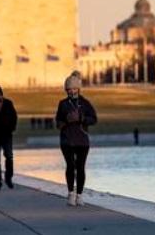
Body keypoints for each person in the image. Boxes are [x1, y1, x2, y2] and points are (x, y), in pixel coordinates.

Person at [55, 71, 97, 207]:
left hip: (82, 140)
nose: (71, 91)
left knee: (80, 167)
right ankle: (70, 193)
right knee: (70, 166)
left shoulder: (85, 103)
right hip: (67, 140)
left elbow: (94, 119)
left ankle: (79, 194)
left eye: (73, 89)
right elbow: (58, 123)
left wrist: (81, 118)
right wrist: (66, 121)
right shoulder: (62, 104)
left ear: (78, 88)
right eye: (68, 89)